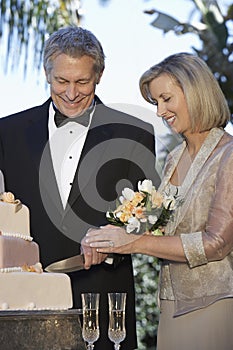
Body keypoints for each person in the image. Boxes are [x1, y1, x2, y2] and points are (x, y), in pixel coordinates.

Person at [0, 26, 159, 349]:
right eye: (62, 81)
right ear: (47, 74)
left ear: (99, 76)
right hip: (27, 301)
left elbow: (148, 213)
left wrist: (114, 241)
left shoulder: (135, 133)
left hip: (104, 298)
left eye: (82, 82)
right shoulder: (7, 132)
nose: (71, 93)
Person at [83, 52, 233, 350]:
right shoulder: (174, 158)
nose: (160, 111)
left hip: (213, 304)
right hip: (170, 306)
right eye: (156, 103)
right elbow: (160, 234)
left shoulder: (228, 155)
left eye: (166, 99)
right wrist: (107, 240)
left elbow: (217, 243)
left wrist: (134, 243)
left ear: (195, 91)